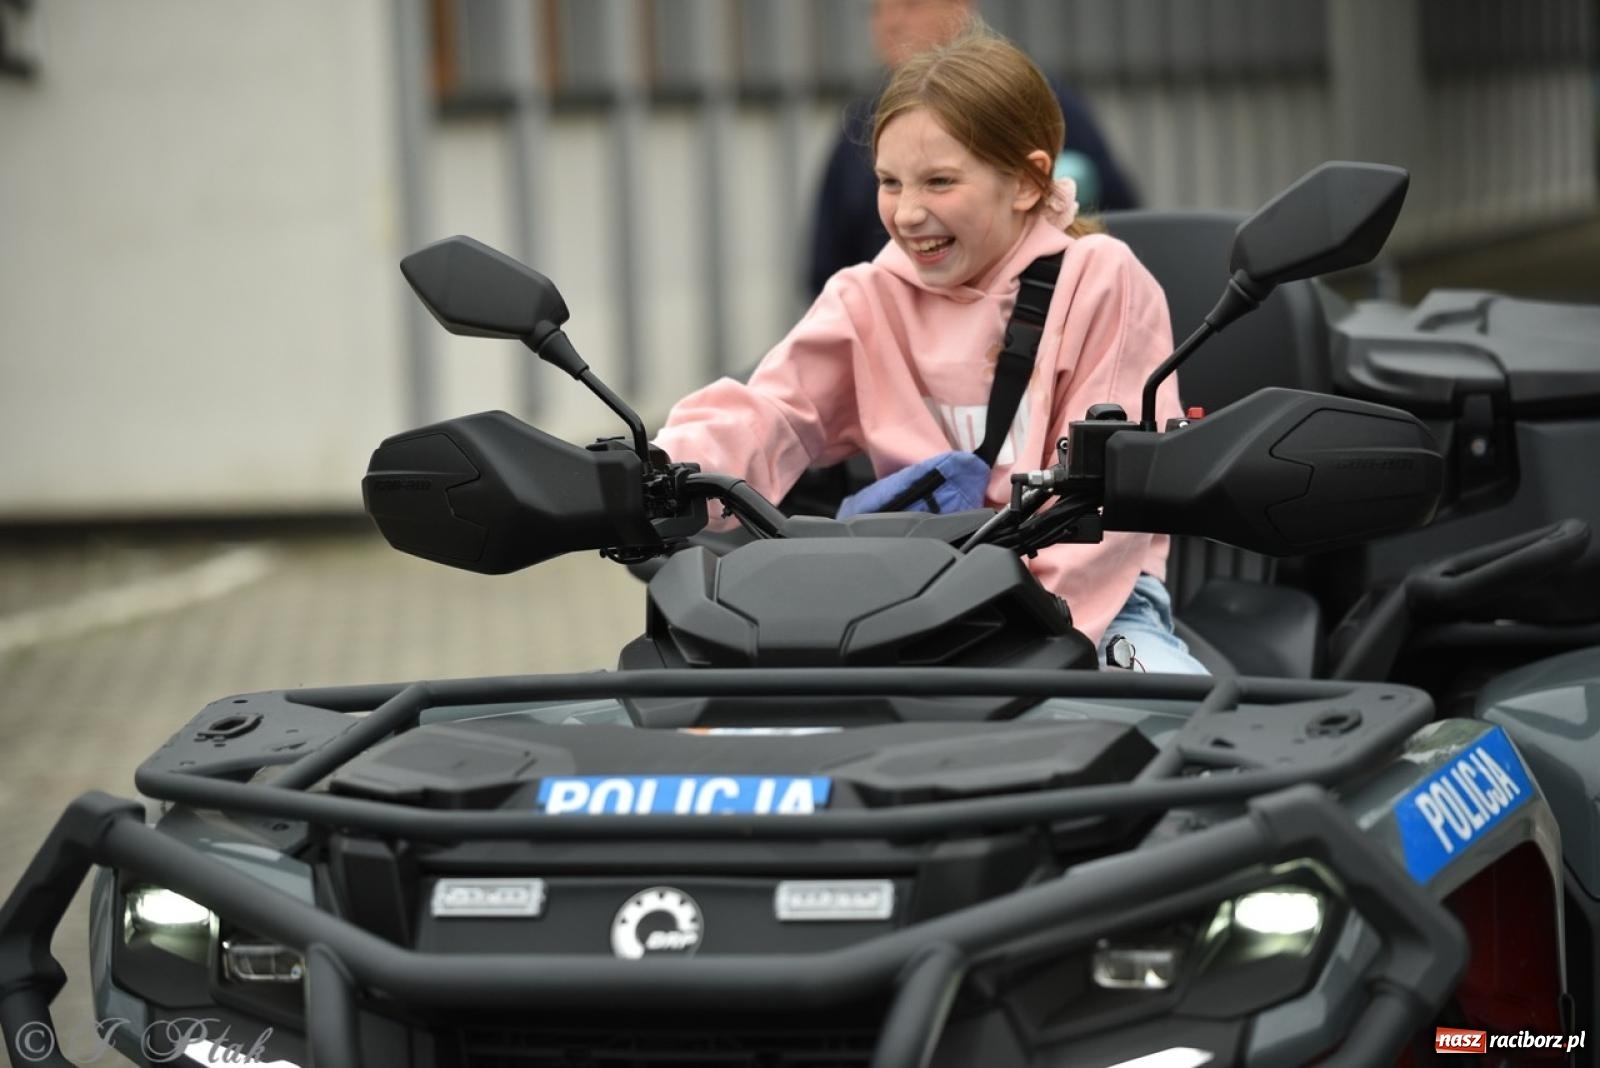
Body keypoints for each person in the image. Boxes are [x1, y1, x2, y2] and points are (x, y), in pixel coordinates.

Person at [653, 26, 1203, 674]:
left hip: (1089, 607)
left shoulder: (1101, 281)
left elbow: (1109, 498)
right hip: (908, 603)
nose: (908, 213)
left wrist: (1032, 631)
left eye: (939, 182)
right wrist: (658, 473)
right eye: (891, 182)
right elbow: (770, 415)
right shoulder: (866, 297)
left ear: (1027, 182)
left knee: (1173, 743)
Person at [807, 0, 1139, 297]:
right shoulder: (859, 122)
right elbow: (825, 262)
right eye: (890, 181)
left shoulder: (1028, 102)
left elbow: (1117, 217)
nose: (891, 22)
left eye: (910, 4)